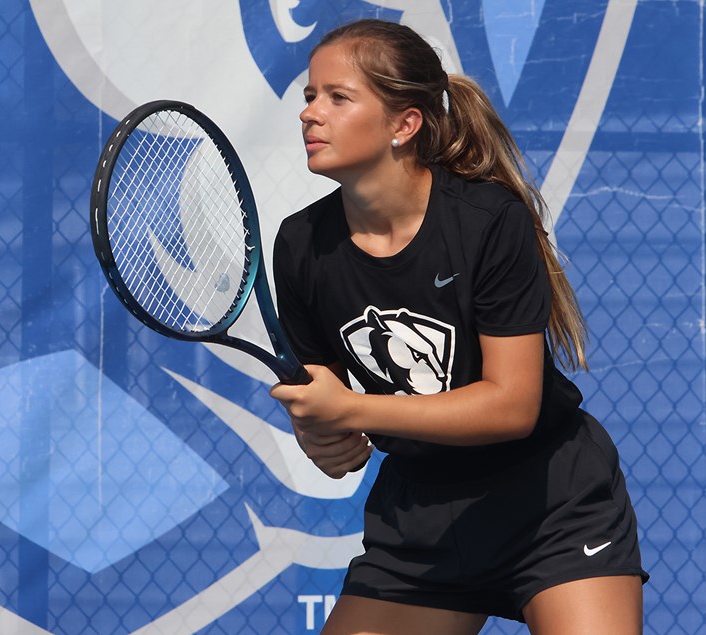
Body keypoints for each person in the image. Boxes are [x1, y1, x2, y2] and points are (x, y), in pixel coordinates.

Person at [268, 18, 649, 635]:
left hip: (549, 501)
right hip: (421, 517)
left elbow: (512, 406)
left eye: (339, 97)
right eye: (310, 96)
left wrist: (353, 412)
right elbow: (333, 425)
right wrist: (326, 438)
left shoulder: (488, 220)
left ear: (404, 124)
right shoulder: (300, 246)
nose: (311, 113)